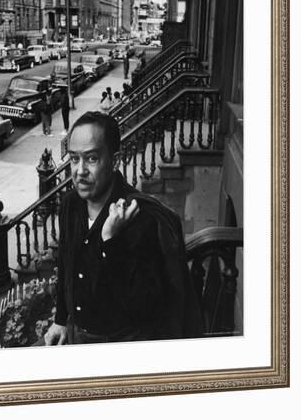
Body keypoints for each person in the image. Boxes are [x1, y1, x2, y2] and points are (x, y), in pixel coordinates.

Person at [45, 112, 203, 345]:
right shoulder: (70, 204)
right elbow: (67, 263)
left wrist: (111, 241)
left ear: (115, 160)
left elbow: (147, 306)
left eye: (91, 159)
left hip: (121, 342)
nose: (79, 171)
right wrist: (60, 319)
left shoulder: (143, 218)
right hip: (77, 335)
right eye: (74, 159)